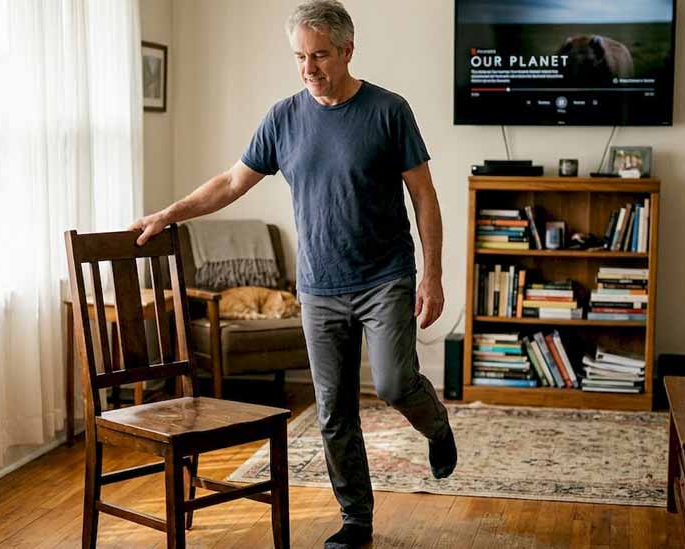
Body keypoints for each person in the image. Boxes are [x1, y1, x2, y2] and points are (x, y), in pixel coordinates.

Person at [129, 2, 455, 547]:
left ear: (348, 51)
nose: (309, 68)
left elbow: (423, 195)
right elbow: (231, 183)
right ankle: (357, 520)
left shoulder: (388, 110)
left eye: (320, 55)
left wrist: (433, 276)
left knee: (396, 383)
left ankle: (436, 424)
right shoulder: (283, 117)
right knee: (333, 409)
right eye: (300, 57)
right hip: (320, 288)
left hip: (385, 278)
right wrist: (171, 212)